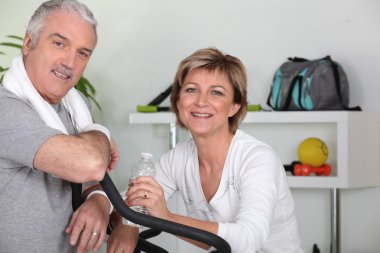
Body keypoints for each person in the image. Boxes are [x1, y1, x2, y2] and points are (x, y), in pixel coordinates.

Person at [107, 47, 303, 253]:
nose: (201, 102)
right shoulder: (179, 158)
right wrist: (127, 224)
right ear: (177, 100)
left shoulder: (257, 158)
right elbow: (124, 202)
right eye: (191, 89)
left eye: (216, 92)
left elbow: (248, 241)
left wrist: (166, 218)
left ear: (234, 106)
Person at [0, 0, 118, 252]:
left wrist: (98, 201)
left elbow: (94, 180)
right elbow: (92, 164)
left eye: (83, 52)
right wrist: (102, 133)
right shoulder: (5, 109)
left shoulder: (75, 105)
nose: (70, 62)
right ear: (29, 42)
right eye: (59, 43)